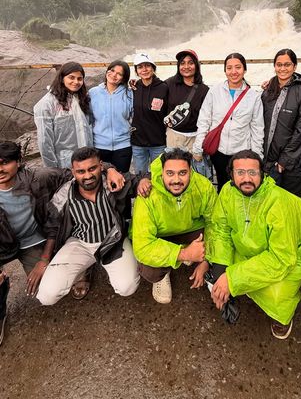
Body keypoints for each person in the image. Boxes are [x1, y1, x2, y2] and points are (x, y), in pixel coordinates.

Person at [0, 142, 123, 344]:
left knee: (44, 290)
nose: (0, 169)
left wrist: (109, 169)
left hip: (36, 239)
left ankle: (84, 269)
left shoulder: (39, 178)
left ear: (19, 162)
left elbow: (80, 173)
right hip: (4, 245)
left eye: (5, 163)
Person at [206, 150, 301, 339]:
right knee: (219, 273)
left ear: (263, 174)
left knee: (277, 295)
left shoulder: (280, 202)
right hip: (246, 250)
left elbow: (282, 257)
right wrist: (220, 272)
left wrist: (233, 278)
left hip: (286, 259)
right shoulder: (228, 191)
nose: (247, 179)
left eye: (253, 173)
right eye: (240, 173)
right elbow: (220, 230)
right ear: (231, 175)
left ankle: (282, 318)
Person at [37, 147, 140, 306]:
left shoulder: (112, 182)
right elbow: (53, 226)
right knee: (47, 295)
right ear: (73, 171)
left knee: (127, 287)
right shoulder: (65, 191)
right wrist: (44, 259)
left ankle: (109, 265)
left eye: (92, 169)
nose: (87, 175)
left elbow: (140, 178)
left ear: (100, 166)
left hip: (113, 241)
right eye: (81, 171)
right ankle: (84, 270)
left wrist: (142, 181)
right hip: (79, 243)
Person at [130, 148, 217, 304]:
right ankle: (164, 273)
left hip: (192, 229)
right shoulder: (147, 194)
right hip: (160, 235)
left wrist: (206, 261)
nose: (176, 180)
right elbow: (142, 246)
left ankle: (188, 249)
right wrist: (184, 254)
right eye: (170, 173)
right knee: (150, 269)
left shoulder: (203, 186)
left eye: (182, 173)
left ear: (190, 171)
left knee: (219, 241)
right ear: (161, 172)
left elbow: (216, 224)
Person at [193, 53, 264, 192]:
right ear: (225, 70)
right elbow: (204, 120)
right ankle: (223, 213)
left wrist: (257, 157)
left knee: (241, 188)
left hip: (242, 152)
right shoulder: (215, 91)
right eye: (229, 68)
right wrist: (198, 147)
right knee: (222, 185)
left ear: (244, 69)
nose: (233, 72)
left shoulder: (253, 96)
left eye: (238, 67)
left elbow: (257, 129)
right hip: (218, 150)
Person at [261, 49, 301, 200]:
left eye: (287, 64)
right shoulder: (267, 91)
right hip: (268, 161)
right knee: (269, 203)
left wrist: (285, 159)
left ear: (295, 66)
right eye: (279, 65)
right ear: (274, 66)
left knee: (291, 204)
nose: (282, 68)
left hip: (292, 163)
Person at [34, 62, 92, 168]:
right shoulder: (47, 104)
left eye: (80, 79)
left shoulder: (81, 99)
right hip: (64, 163)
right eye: (71, 77)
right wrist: (52, 169)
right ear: (62, 78)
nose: (76, 82)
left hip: (86, 160)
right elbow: (45, 141)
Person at [89, 60, 133, 173]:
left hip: (123, 146)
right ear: (107, 71)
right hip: (99, 145)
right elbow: (89, 118)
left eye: (119, 74)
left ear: (124, 78)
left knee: (122, 180)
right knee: (101, 180)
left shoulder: (129, 94)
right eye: (112, 70)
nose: (114, 75)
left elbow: (134, 117)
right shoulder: (93, 93)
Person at [164, 50, 209, 152]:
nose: (186, 66)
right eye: (182, 63)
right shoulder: (169, 84)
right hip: (173, 136)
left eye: (191, 63)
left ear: (196, 66)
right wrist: (137, 83)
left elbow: (207, 118)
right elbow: (154, 88)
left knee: (192, 168)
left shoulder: (204, 90)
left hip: (195, 138)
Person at [131, 53, 168, 174]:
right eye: (140, 67)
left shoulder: (164, 87)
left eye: (147, 66)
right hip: (138, 143)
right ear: (136, 71)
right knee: (140, 177)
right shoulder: (133, 88)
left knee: (158, 176)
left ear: (153, 68)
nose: (144, 69)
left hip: (158, 142)